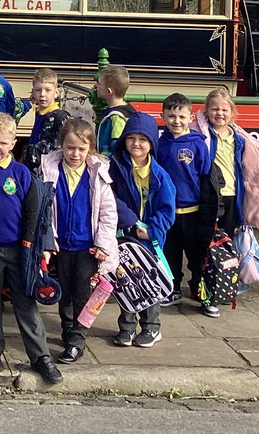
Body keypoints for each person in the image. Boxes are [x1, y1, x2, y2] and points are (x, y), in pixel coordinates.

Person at [0, 113, 63, 384]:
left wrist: (38, 245)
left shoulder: (21, 173)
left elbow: (36, 212)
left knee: (25, 303)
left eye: (3, 143)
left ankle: (40, 357)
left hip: (20, 250)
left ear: (14, 143)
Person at [37, 118, 117, 362]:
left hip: (87, 246)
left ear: (90, 149)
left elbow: (108, 212)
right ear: (61, 145)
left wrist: (103, 244)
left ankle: (77, 339)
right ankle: (67, 329)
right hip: (62, 245)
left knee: (83, 293)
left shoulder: (98, 174)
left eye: (81, 149)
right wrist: (48, 240)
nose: (75, 153)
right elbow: (44, 209)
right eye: (70, 147)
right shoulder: (50, 170)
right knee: (66, 292)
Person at [192, 87, 259, 316]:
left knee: (225, 247)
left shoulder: (238, 137)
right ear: (206, 111)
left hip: (233, 197)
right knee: (205, 245)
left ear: (232, 113)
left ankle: (219, 287)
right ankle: (203, 289)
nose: (219, 113)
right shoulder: (200, 134)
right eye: (214, 109)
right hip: (209, 197)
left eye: (224, 109)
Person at [108, 111, 176, 348]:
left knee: (150, 282)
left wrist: (153, 230)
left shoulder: (160, 176)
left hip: (150, 239)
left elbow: (168, 210)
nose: (136, 144)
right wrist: (125, 221)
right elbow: (110, 197)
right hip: (124, 235)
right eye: (131, 138)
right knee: (124, 281)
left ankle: (151, 327)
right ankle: (126, 327)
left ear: (152, 144)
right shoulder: (115, 167)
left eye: (143, 139)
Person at [155, 92, 213, 308]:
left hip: (193, 212)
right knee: (170, 255)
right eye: (171, 116)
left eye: (181, 117)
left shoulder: (198, 144)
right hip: (168, 212)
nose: (176, 121)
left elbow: (206, 176)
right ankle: (173, 289)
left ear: (191, 118)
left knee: (198, 257)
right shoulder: (159, 144)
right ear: (163, 116)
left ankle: (201, 291)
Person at [25, 67, 71, 167]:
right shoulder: (39, 113)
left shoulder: (61, 117)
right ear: (33, 92)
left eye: (48, 90)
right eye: (38, 90)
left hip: (50, 169)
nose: (42, 94)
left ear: (56, 93)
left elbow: (59, 148)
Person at [95, 65, 133, 156]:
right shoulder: (129, 109)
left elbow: (116, 146)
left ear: (109, 91)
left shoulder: (116, 118)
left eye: (99, 83)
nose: (96, 86)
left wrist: (103, 156)